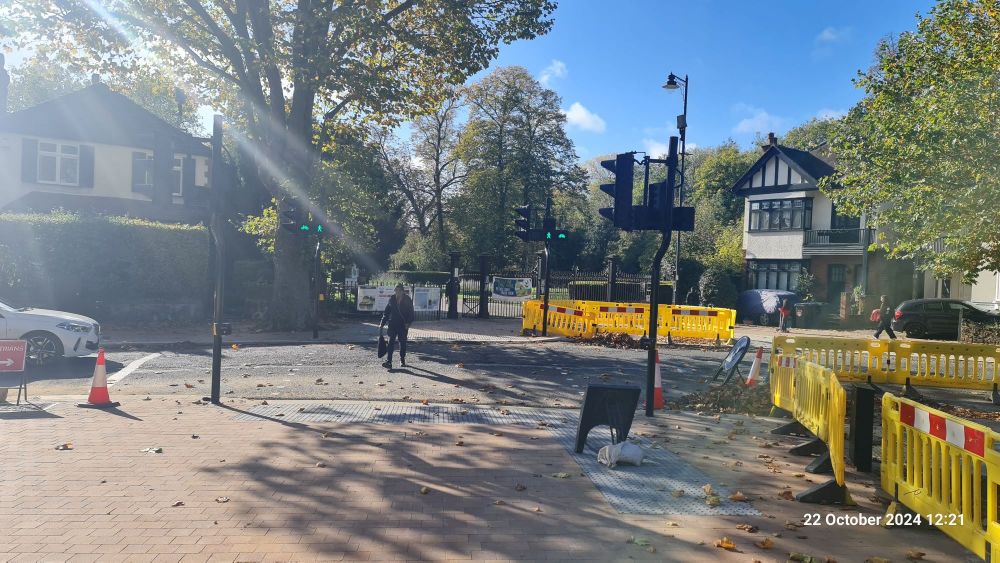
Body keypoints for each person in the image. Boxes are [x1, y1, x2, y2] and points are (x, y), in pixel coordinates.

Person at [380, 284, 415, 369]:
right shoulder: (392, 299)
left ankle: (402, 359)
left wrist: (408, 323)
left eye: (399, 290)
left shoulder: (407, 299)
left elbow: (411, 313)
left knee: (402, 342)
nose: (397, 292)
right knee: (390, 342)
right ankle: (389, 362)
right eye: (396, 290)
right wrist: (382, 323)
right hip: (392, 324)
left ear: (403, 291)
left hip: (403, 325)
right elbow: (386, 312)